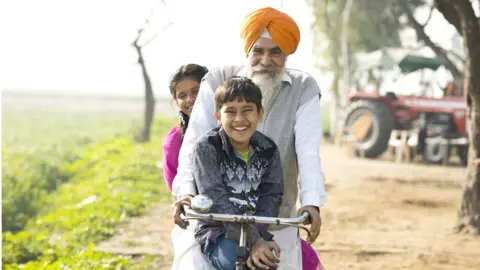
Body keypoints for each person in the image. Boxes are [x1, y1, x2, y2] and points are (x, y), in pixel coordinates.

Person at [171, 6, 327, 269]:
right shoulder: (219, 79)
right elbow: (194, 143)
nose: (266, 60)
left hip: (275, 218)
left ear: (286, 53)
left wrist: (312, 203)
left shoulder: (303, 88)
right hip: (214, 221)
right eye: (258, 51)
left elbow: (308, 150)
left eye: (275, 51)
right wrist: (185, 194)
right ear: (247, 50)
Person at [192, 76, 284, 269]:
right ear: (218, 116)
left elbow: (272, 194)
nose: (239, 119)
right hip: (218, 231)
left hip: (256, 230)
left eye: (247, 110)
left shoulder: (268, 149)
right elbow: (215, 198)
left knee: (266, 265)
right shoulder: (207, 147)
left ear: (260, 114)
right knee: (236, 264)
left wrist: (257, 236)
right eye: (230, 112)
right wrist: (254, 241)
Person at [162, 63, 209, 193]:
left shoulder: (233, 128)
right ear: (176, 101)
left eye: (196, 92)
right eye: (182, 96)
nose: (190, 99)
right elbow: (175, 187)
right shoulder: (174, 140)